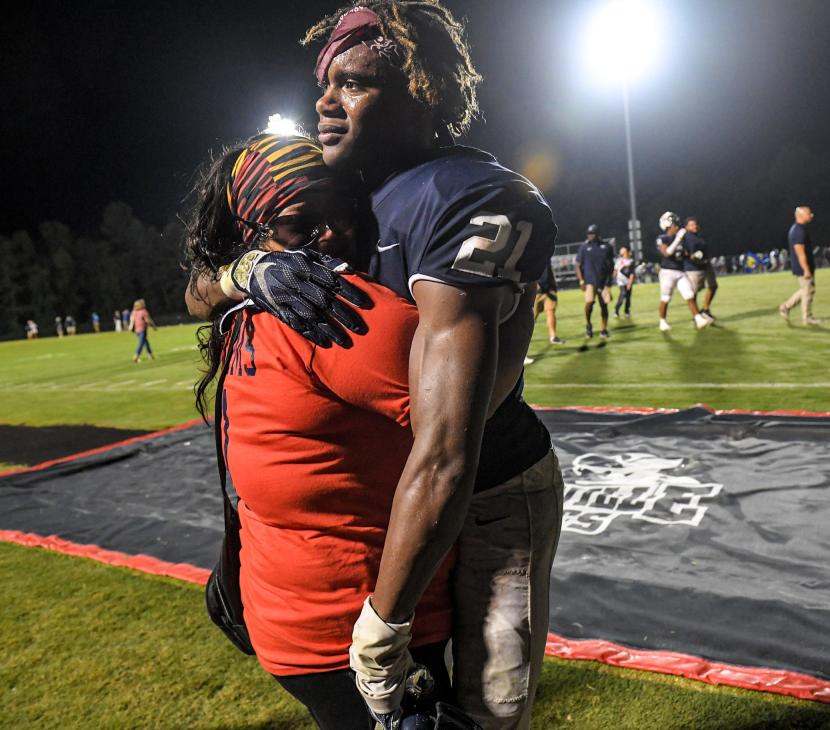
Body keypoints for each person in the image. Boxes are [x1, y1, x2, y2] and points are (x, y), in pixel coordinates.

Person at [186, 4, 564, 728]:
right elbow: (198, 285)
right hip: (404, 477)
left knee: (490, 712)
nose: (327, 100)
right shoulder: (344, 181)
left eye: (354, 84)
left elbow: (447, 444)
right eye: (325, 82)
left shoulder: (468, 196)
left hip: (486, 482)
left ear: (422, 93)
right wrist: (248, 269)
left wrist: (383, 629)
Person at [185, 133, 456, 729]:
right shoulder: (335, 308)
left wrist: (248, 268)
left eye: (338, 210)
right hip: (350, 637)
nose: (329, 232)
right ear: (250, 232)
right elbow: (471, 440)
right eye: (299, 222)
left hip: (310, 631)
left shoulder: (278, 301)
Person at [656, 212, 712, 332]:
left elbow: (685, 255)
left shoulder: (681, 239)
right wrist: (678, 239)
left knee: (690, 295)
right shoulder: (663, 238)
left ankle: (698, 319)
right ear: (668, 226)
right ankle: (662, 321)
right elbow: (667, 253)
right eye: (675, 224)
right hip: (667, 272)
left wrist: (695, 256)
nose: (677, 227)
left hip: (680, 271)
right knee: (666, 298)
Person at [779, 206, 819, 325]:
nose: (811, 215)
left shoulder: (800, 229)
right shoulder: (798, 231)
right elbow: (799, 251)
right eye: (808, 213)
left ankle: (785, 307)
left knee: (806, 290)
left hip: (804, 265)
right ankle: (807, 318)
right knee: (808, 291)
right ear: (800, 215)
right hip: (802, 267)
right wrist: (806, 269)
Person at [575, 224, 614, 338]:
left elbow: (611, 266)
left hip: (603, 281)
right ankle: (588, 324)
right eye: (589, 234)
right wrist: (581, 281)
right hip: (589, 282)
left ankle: (604, 329)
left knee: (604, 306)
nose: (590, 236)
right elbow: (578, 266)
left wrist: (609, 281)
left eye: (592, 234)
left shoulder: (607, 247)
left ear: (598, 234)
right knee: (589, 304)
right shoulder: (583, 247)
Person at [527, 260, 564, 363]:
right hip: (536, 290)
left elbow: (549, 270)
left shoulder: (546, 252)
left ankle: (553, 337)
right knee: (530, 319)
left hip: (549, 288)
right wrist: (534, 285)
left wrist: (554, 285)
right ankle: (521, 353)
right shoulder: (529, 251)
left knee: (551, 312)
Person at [681, 217, 718, 319]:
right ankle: (696, 315)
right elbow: (682, 252)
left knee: (713, 286)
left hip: (706, 264)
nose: (695, 226)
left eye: (696, 224)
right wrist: (690, 256)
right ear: (686, 227)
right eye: (692, 224)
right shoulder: (684, 238)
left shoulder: (699, 236)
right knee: (693, 292)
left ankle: (705, 310)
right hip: (693, 268)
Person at [613, 246, 635, 319]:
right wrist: (613, 278)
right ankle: (616, 309)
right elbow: (615, 270)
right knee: (623, 294)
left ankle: (626, 311)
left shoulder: (631, 261)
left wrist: (630, 282)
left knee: (628, 297)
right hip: (620, 281)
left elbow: (632, 273)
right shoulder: (619, 260)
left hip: (628, 281)